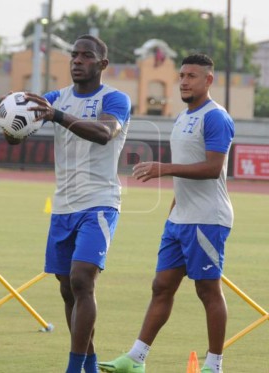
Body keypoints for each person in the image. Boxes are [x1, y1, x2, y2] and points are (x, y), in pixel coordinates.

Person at [2, 35, 131, 373]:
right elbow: (15, 135)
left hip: (100, 203)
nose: (77, 61)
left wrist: (56, 115)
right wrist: (10, 120)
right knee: (67, 290)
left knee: (81, 279)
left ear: (102, 65)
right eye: (73, 55)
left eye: (86, 56)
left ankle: (73, 368)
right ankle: (88, 364)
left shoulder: (114, 99)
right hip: (63, 206)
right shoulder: (55, 97)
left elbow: (105, 133)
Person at [98, 54, 234, 373]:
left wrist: (165, 169)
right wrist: (173, 211)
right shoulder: (182, 116)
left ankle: (214, 366)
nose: (185, 81)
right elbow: (187, 170)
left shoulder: (216, 117)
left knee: (207, 290)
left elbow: (214, 168)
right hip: (180, 219)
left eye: (192, 76)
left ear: (209, 81)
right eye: (182, 75)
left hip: (207, 219)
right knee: (161, 286)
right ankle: (135, 359)